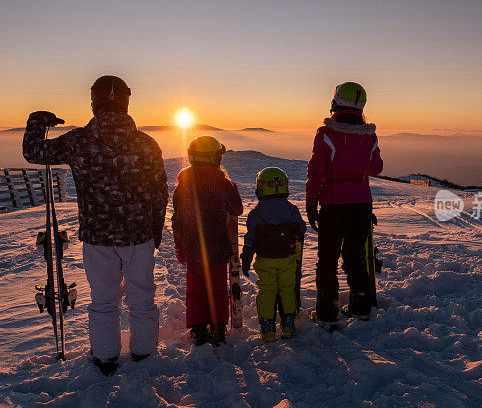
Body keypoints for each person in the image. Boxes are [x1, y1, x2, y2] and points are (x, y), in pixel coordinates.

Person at [23, 75, 168, 375]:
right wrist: (155, 230)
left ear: (94, 102)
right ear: (127, 101)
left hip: (98, 237)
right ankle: (144, 353)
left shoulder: (79, 142)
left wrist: (39, 121)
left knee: (104, 300)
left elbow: (34, 153)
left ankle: (105, 358)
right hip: (139, 235)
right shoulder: (146, 144)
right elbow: (159, 190)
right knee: (142, 297)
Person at [306, 82, 383, 331]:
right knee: (354, 256)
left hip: (332, 203)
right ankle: (360, 306)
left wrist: (310, 203)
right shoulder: (369, 136)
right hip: (361, 202)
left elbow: (316, 171)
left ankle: (327, 312)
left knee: (327, 260)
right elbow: (376, 168)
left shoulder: (325, 134)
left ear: (336, 101)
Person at [172, 136, 243, 346]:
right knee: (218, 289)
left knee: (195, 288)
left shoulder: (182, 184)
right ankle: (219, 328)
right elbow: (236, 209)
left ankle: (199, 330)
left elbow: (177, 220)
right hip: (218, 246)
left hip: (192, 247)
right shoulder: (222, 183)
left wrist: (179, 246)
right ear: (214, 158)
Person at [240, 167, 306, 342]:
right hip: (288, 260)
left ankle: (268, 328)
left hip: (265, 261)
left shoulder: (256, 214)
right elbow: (301, 229)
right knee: (287, 290)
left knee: (267, 291)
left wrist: (246, 258)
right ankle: (288, 324)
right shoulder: (292, 210)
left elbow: (250, 239)